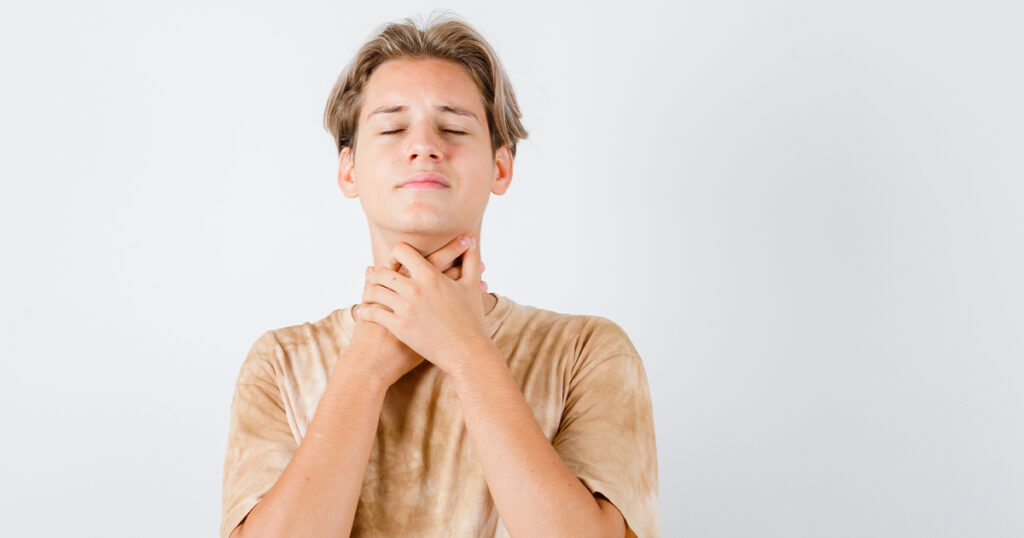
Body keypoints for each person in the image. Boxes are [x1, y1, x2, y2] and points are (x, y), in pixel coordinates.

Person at [220, 12, 659, 538]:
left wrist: (466, 351)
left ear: (501, 167)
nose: (424, 145)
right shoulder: (280, 365)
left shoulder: (588, 353)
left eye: (453, 127)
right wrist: (364, 369)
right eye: (391, 127)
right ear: (348, 169)